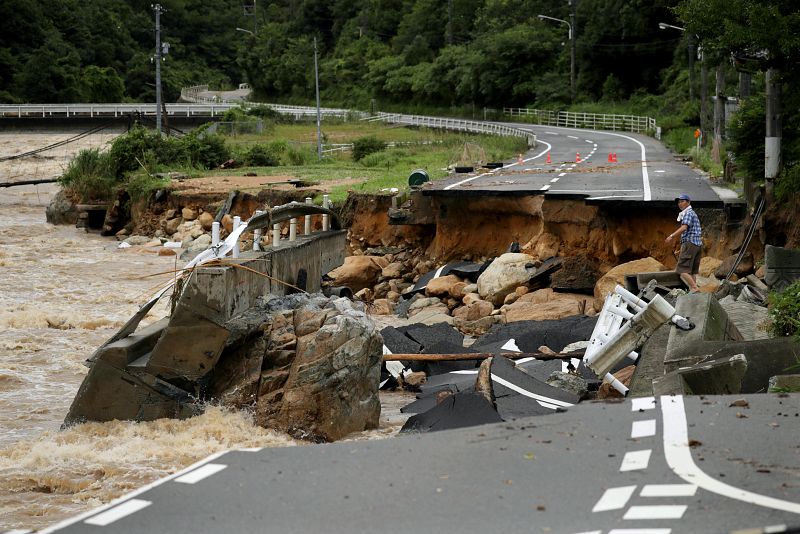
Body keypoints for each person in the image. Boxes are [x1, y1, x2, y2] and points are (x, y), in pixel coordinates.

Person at [665, 193, 702, 293]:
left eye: (682, 201)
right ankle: (693, 290)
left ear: (688, 202)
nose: (680, 204)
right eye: (679, 202)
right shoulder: (692, 213)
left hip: (690, 243)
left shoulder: (688, 213)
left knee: (681, 270)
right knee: (692, 271)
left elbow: (684, 227)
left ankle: (694, 287)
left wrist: (671, 236)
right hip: (697, 245)